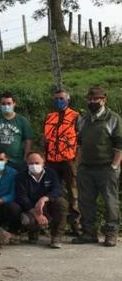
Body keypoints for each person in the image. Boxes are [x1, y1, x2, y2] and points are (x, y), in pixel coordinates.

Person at [73, 87, 122, 247]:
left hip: (106, 168)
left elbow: (119, 145)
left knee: (110, 202)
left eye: (96, 99)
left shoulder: (113, 118)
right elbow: (79, 144)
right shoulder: (83, 119)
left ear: (104, 100)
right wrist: (78, 165)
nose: (92, 102)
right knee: (85, 202)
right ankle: (89, 233)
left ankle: (111, 233)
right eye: (90, 99)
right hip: (86, 168)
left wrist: (114, 166)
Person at [42, 89, 81, 234]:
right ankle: (55, 224)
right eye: (56, 98)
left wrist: (77, 161)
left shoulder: (76, 116)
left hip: (69, 160)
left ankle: (75, 225)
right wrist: (44, 158)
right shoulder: (49, 117)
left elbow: (80, 141)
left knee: (73, 192)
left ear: (68, 99)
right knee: (53, 192)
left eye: (62, 98)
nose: (59, 101)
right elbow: (45, 140)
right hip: (52, 160)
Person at [16, 151, 68, 248]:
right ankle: (33, 232)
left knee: (62, 203)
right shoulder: (21, 176)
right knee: (26, 219)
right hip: (30, 208)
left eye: (37, 163)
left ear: (43, 162)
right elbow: (21, 197)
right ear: (26, 163)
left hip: (47, 205)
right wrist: (36, 213)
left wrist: (44, 199)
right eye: (31, 163)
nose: (34, 166)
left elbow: (57, 190)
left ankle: (56, 236)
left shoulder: (51, 173)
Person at [0, 92, 34, 170]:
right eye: (3, 104)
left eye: (9, 103)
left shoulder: (22, 121)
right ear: (0, 104)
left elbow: (28, 141)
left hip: (17, 161)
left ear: (14, 104)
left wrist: (26, 159)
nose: (6, 106)